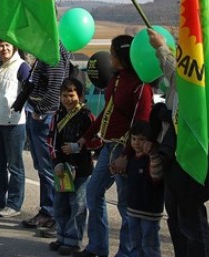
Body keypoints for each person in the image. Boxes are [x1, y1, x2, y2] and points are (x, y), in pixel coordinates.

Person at [147, 29, 209, 257]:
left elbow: (189, 87)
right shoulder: (194, 48)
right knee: (175, 215)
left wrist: (162, 49)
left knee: (191, 218)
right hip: (175, 143)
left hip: (192, 145)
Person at [75, 35, 153, 257]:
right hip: (109, 148)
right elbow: (107, 112)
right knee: (93, 192)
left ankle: (127, 252)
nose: (109, 58)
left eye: (112, 54)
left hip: (124, 151)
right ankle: (97, 247)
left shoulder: (140, 85)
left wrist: (127, 155)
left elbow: (142, 125)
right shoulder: (117, 79)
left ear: (122, 56)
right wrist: (85, 137)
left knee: (125, 204)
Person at [16, 43, 72, 231]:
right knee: (42, 167)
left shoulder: (54, 51)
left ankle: (56, 215)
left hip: (44, 116)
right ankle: (47, 211)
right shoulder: (45, 50)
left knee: (50, 168)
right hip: (36, 113)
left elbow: (56, 89)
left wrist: (39, 110)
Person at [0, 38, 30, 218]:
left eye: (7, 45)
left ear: (14, 46)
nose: (4, 48)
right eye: (0, 46)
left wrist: (21, 107)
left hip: (13, 123)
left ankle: (14, 204)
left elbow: (29, 89)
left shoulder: (22, 66)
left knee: (15, 166)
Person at [48, 77, 94, 255]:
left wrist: (79, 146)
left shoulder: (87, 116)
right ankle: (61, 237)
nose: (68, 99)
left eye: (71, 95)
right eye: (64, 95)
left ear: (80, 96)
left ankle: (73, 241)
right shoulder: (56, 116)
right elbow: (50, 142)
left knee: (78, 205)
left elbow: (97, 140)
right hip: (62, 170)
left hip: (81, 169)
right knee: (60, 204)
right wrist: (57, 163)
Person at [125, 121, 164, 257]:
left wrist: (153, 154)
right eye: (134, 139)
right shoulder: (132, 158)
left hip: (150, 211)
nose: (136, 143)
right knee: (134, 243)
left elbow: (157, 176)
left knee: (149, 245)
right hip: (133, 209)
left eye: (141, 139)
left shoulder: (152, 158)